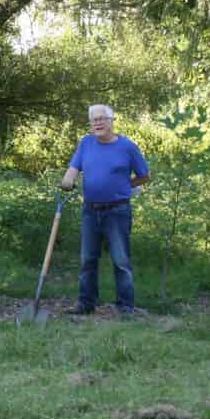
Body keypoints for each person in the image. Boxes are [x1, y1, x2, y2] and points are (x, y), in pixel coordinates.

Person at [60, 104, 150, 316]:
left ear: (112, 121)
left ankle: (125, 307)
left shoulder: (127, 147)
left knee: (121, 261)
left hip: (117, 211)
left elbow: (144, 175)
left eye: (102, 119)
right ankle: (86, 304)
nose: (98, 123)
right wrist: (68, 179)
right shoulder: (86, 143)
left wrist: (125, 187)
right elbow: (74, 167)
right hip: (90, 210)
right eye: (94, 120)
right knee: (88, 259)